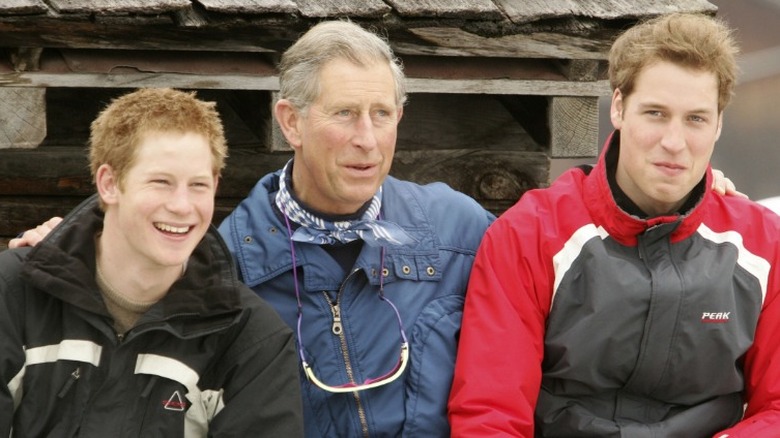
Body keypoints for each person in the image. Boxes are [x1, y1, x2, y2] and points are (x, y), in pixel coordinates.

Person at [6, 19, 747, 438]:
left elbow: (571, 231)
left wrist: (700, 194)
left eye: (382, 114)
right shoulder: (223, 260)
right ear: (290, 121)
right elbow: (134, 246)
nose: (367, 138)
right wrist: (70, 233)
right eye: (343, 114)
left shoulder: (459, 228)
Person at [448, 12, 780, 437]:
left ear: (718, 124)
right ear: (619, 107)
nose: (674, 142)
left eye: (695, 118)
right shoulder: (530, 235)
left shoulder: (763, 245)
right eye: (656, 113)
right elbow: (489, 414)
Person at [0, 88, 304, 436]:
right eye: (161, 182)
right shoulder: (11, 294)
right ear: (110, 183)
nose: (182, 205)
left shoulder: (251, 339)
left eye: (199, 185)